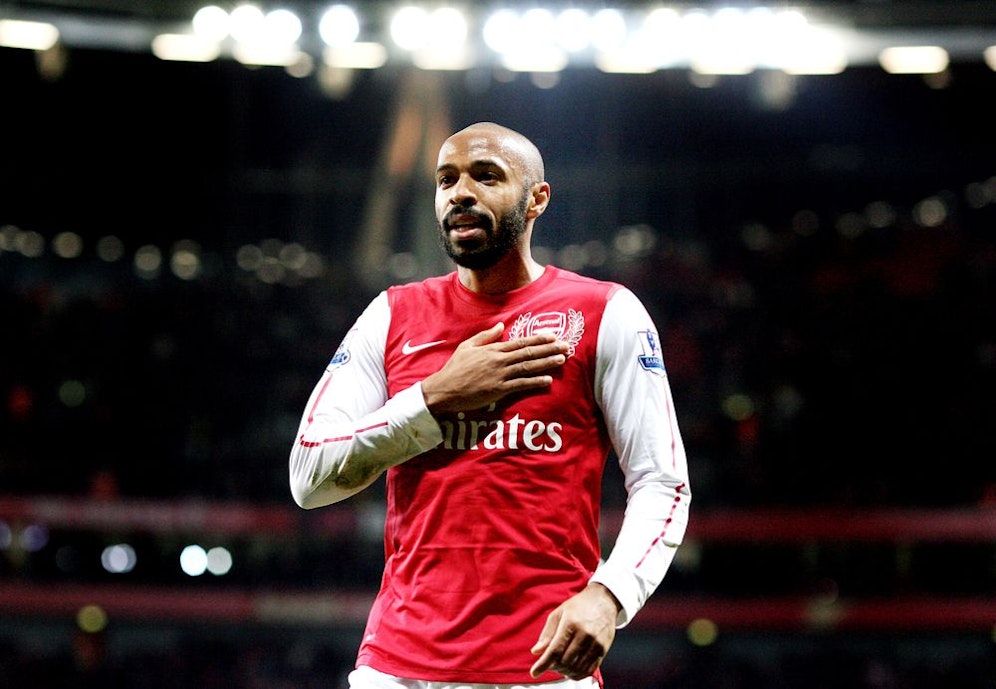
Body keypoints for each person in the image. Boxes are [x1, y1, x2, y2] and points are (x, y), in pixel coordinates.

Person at [289, 122, 691, 689]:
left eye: (486, 176)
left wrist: (610, 595)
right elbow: (308, 476)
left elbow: (662, 482)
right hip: (397, 668)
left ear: (537, 200)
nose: (460, 193)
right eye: (446, 179)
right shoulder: (392, 315)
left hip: (545, 669)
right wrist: (434, 399)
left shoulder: (606, 313)